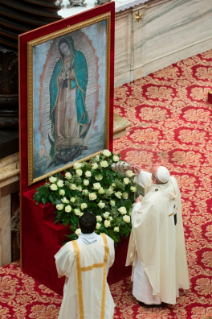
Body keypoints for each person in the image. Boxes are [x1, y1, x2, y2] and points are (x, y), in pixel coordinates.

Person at [126, 165, 190, 305]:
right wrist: (141, 173)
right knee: (166, 259)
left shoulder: (153, 200)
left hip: (154, 237)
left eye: (151, 174)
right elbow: (154, 180)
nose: (150, 175)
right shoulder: (172, 183)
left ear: (155, 180)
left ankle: (148, 298)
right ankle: (167, 291)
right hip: (167, 232)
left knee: (151, 260)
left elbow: (139, 222)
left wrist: (137, 205)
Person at [55, 212, 115, 319]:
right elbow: (110, 262)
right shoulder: (106, 242)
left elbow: (61, 268)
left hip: (76, 288)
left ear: (79, 226)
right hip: (99, 284)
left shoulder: (71, 249)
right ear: (96, 226)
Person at [49, 36, 91, 165]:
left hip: (73, 92)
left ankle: (73, 138)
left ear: (70, 46)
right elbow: (53, 81)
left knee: (72, 113)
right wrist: (60, 78)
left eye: (65, 47)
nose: (63, 50)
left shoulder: (78, 57)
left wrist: (71, 73)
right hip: (61, 93)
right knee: (61, 115)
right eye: (61, 49)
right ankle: (61, 140)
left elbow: (83, 73)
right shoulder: (59, 63)